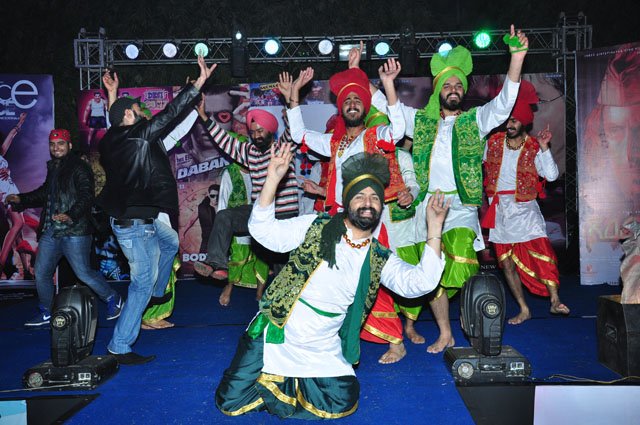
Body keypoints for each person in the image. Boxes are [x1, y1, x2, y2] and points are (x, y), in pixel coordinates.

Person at [215, 146, 448, 419]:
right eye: (360, 196)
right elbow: (264, 232)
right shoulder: (316, 225)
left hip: (324, 343)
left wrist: (434, 228)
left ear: (380, 207)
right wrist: (272, 179)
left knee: (343, 400)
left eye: (374, 197)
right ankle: (278, 384)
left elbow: (419, 283)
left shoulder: (378, 256)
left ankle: (283, 388)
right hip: (281, 330)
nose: (368, 202)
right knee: (230, 401)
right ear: (348, 202)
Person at [371, 24, 528, 353]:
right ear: (439, 90)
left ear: (463, 90)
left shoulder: (475, 120)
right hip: (428, 208)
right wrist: (377, 80)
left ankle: (470, 321)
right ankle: (445, 332)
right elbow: (391, 109)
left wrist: (516, 58)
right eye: (448, 85)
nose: (454, 89)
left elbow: (503, 105)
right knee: (432, 269)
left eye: (458, 85)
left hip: (460, 207)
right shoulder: (422, 122)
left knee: (461, 263)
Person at [283, 59, 412, 364]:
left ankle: (396, 340)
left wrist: (388, 85)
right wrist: (294, 96)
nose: (352, 104)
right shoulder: (335, 143)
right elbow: (299, 135)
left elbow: (399, 130)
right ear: (341, 108)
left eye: (357, 99)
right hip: (338, 223)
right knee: (332, 281)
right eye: (347, 100)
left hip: (368, 223)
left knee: (370, 279)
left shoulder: (375, 136)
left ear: (364, 107)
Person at [97, 56, 216, 365]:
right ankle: (119, 345)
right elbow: (170, 114)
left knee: (171, 241)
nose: (141, 112)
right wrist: (198, 84)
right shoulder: (139, 135)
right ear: (129, 115)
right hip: (135, 225)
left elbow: (116, 120)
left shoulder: (109, 141)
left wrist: (113, 95)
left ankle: (158, 290)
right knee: (140, 285)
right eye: (136, 110)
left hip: (138, 219)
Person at [6, 129, 122, 327]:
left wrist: (70, 214)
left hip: (75, 229)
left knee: (83, 272)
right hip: (53, 229)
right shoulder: (55, 167)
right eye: (52, 144)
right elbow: (45, 193)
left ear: (69, 145)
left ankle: (113, 298)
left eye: (60, 143)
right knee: (41, 272)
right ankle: (47, 311)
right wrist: (21, 199)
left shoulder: (79, 167)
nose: (56, 147)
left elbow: (86, 196)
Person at [481, 80, 569, 324]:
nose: (510, 125)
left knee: (542, 253)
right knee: (506, 264)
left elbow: (551, 176)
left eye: (514, 121)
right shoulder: (492, 143)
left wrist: (544, 148)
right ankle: (523, 308)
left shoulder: (533, 147)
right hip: (500, 212)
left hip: (525, 210)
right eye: (507, 120)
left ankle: (555, 300)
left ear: (524, 122)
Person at [192, 96, 298, 280]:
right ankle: (216, 263)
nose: (256, 135)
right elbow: (225, 141)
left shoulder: (282, 148)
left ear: (271, 131)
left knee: (283, 271)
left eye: (260, 131)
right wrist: (203, 116)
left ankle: (286, 292)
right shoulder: (250, 152)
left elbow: (293, 130)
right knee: (224, 216)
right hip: (259, 213)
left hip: (283, 215)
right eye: (253, 132)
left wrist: (291, 101)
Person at [217, 162, 269, 306]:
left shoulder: (261, 169)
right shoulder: (230, 172)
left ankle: (260, 293)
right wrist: (222, 227)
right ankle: (228, 287)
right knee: (238, 256)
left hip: (259, 221)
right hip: (238, 224)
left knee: (262, 259)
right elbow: (222, 201)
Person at [0, 112, 27, 279]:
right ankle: (1, 263)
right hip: (4, 192)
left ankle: (26, 270)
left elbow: (11, 136)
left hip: (12, 190)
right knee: (18, 223)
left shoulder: (0, 153)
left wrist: (20, 122)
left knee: (19, 233)